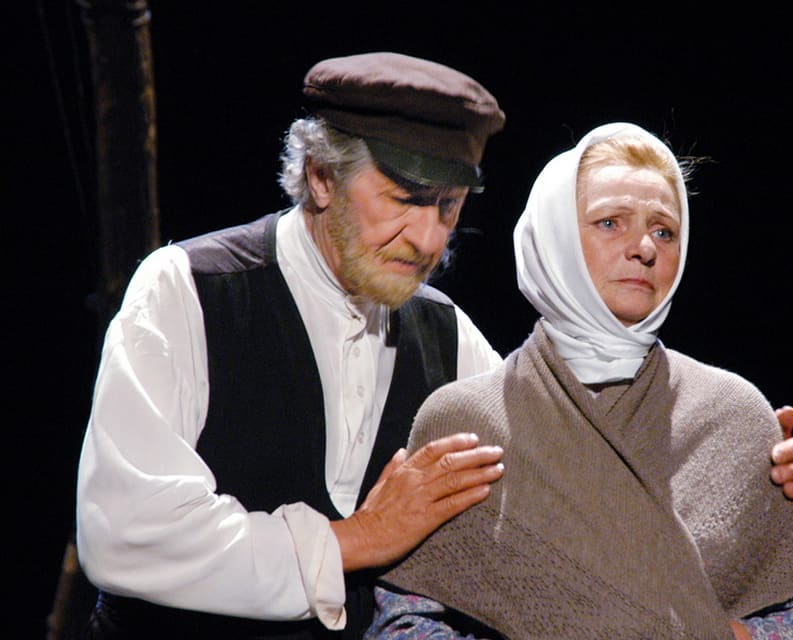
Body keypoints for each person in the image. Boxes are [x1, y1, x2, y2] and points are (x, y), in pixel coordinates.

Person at [75, 52, 508, 639]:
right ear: (321, 176)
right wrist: (359, 538)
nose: (429, 239)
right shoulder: (188, 289)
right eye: (405, 199)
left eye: (448, 206)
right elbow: (126, 531)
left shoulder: (452, 339)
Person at [368, 123, 793, 639]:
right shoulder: (466, 421)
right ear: (555, 240)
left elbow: (789, 608)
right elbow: (405, 620)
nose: (644, 248)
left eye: (664, 231)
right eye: (610, 223)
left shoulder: (735, 416)